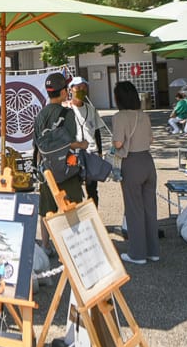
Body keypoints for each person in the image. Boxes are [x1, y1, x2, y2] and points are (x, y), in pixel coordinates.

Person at [112, 81, 159, 265]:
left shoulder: (120, 116)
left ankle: (138, 254)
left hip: (131, 162)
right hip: (148, 161)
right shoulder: (144, 115)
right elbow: (151, 139)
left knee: (134, 209)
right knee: (150, 208)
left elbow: (118, 143)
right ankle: (153, 251)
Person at [33, 72, 87, 224]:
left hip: (47, 170)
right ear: (63, 92)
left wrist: (39, 168)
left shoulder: (40, 114)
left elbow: (36, 144)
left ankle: (46, 245)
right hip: (67, 168)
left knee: (46, 211)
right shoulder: (68, 114)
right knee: (73, 207)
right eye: (67, 88)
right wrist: (83, 144)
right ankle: (71, 243)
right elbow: (70, 142)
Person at [67, 76, 104, 206]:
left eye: (84, 87)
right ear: (71, 89)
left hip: (91, 152)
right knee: (74, 188)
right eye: (78, 87)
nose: (81, 90)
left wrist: (100, 151)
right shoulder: (66, 109)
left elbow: (97, 131)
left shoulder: (91, 109)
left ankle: (94, 218)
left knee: (92, 189)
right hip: (74, 153)